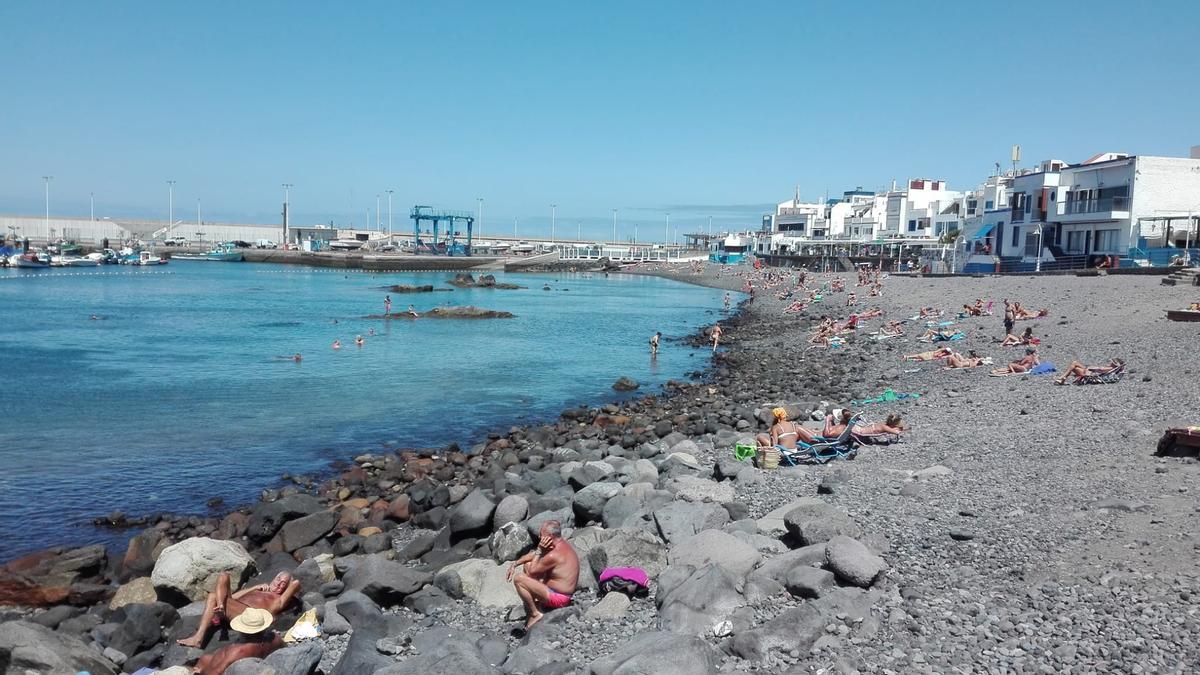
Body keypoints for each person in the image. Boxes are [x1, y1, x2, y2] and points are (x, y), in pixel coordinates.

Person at [176, 572, 299, 648]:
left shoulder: (278, 600)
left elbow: (296, 583)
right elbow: (232, 597)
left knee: (212, 596)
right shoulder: (259, 589)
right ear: (274, 578)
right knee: (223, 576)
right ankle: (220, 609)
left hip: (247, 617)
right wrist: (254, 588)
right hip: (232, 607)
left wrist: (289, 582)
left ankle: (199, 637)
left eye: (283, 584)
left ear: (286, 588)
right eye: (278, 579)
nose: (278, 584)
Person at [507, 521, 579, 632]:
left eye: (541, 534)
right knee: (528, 563)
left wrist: (540, 550)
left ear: (550, 536)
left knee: (519, 579)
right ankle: (538, 603)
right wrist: (515, 564)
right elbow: (533, 556)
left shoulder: (554, 554)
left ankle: (535, 613)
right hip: (556, 590)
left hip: (559, 598)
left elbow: (531, 571)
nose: (539, 536)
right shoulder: (560, 544)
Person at [191, 608, 283, 675]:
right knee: (206, 658)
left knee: (203, 661)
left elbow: (215, 673)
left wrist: (201, 672)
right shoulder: (276, 639)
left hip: (222, 670)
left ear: (242, 630)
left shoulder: (238, 651)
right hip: (255, 662)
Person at [756, 407, 821, 451]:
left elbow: (775, 445)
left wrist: (768, 442)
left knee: (760, 437)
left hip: (784, 451)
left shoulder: (775, 427)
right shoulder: (793, 425)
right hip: (794, 450)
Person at [1055, 358, 1124, 385]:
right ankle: (1062, 378)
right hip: (1091, 372)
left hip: (1090, 375)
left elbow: (1099, 369)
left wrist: (1091, 368)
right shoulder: (1111, 369)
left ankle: (1062, 378)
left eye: (1112, 362)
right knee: (1074, 363)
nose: (1111, 362)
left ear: (1114, 364)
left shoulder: (1110, 368)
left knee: (1074, 365)